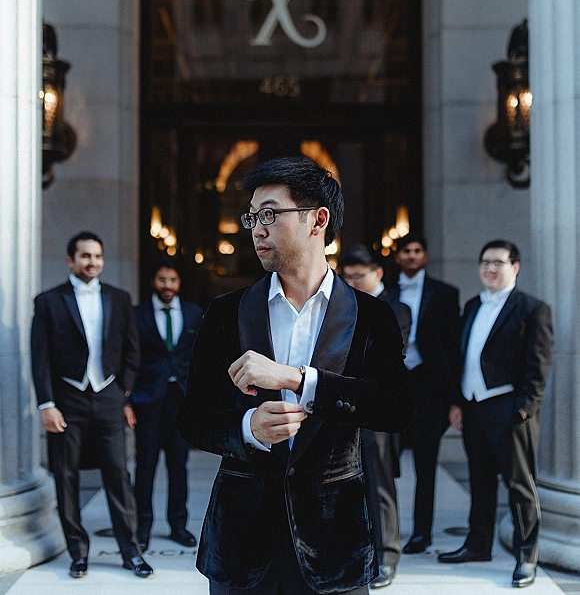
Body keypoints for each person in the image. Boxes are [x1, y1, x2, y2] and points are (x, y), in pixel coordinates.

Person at [176, 156, 413, 595]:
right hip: (241, 545)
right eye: (252, 217)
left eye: (269, 214)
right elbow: (192, 418)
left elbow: (396, 408)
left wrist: (299, 380)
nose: (256, 229)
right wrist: (247, 428)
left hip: (334, 544)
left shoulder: (372, 316)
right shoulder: (226, 313)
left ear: (317, 220)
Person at [30, 231, 153, 579]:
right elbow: (40, 358)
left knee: (118, 473)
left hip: (108, 396)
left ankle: (131, 553)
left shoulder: (119, 298)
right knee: (66, 475)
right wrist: (46, 404)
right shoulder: (48, 301)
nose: (93, 262)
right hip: (67, 399)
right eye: (85, 256)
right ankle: (78, 552)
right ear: (71, 260)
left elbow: (132, 351)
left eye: (97, 256)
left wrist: (123, 393)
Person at [438, 240, 554, 589]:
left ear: (514, 267)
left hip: (509, 410)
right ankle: (477, 546)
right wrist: (457, 401)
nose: (490, 268)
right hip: (473, 406)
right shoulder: (473, 305)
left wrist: (524, 408)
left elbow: (539, 364)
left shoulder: (532, 309)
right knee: (480, 480)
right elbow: (463, 357)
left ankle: (526, 556)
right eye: (485, 262)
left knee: (519, 486)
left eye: (498, 263)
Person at [383, 232, 460, 554]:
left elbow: (453, 346)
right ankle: (386, 530)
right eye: (406, 251)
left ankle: (422, 533)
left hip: (430, 388)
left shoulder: (445, 294)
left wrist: (454, 399)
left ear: (425, 256)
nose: (412, 256)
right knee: (385, 465)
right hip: (393, 388)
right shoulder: (385, 291)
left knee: (426, 465)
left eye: (417, 251)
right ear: (398, 256)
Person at [341, 245, 412, 590]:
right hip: (343, 407)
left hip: (377, 410)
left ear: (378, 273)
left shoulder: (396, 309)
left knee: (379, 483)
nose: (353, 282)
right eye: (347, 276)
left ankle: (387, 556)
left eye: (359, 276)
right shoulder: (344, 306)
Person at [125, 256, 203, 552]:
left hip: (181, 401)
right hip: (147, 400)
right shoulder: (138, 314)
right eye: (162, 280)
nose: (167, 285)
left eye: (172, 280)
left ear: (179, 283)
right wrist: (127, 400)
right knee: (145, 466)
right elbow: (129, 357)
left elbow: (200, 356)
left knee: (178, 466)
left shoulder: (194, 313)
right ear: (153, 282)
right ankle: (142, 527)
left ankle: (178, 525)